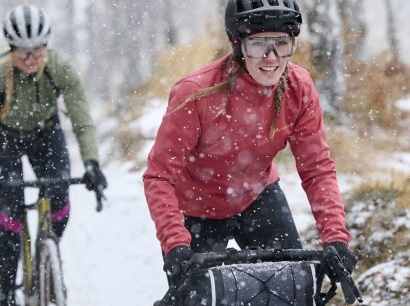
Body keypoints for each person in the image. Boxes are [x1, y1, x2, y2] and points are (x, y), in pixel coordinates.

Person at [143, 0, 357, 300]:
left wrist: (335, 237)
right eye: (258, 45)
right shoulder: (195, 93)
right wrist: (175, 243)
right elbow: (158, 177)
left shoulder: (299, 87)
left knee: (295, 290)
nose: (271, 58)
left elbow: (317, 169)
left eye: (281, 44)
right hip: (196, 209)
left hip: (258, 196)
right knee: (196, 297)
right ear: (238, 44)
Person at [0, 5, 107, 306]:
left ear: (46, 45)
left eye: (37, 50)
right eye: (23, 52)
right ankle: (8, 287)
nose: (31, 59)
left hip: (46, 133)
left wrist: (91, 162)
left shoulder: (61, 67)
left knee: (60, 196)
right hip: (5, 137)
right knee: (10, 212)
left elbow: (82, 118)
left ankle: (47, 248)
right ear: (11, 50)